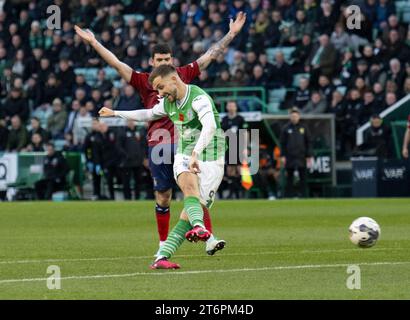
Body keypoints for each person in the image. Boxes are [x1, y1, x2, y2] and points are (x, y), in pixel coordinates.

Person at [74, 11, 246, 256]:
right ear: (152, 61)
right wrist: (93, 42)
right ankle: (163, 243)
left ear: (172, 62)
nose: (163, 62)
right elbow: (116, 63)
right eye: (159, 59)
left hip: (184, 141)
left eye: (167, 58)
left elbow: (211, 55)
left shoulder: (183, 76)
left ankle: (206, 234)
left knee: (193, 190)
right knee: (163, 196)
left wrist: (231, 34)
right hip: (158, 143)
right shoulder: (144, 81)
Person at [99, 65, 226, 269]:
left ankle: (161, 257)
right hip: (185, 154)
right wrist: (115, 112)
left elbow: (210, 127)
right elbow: (147, 114)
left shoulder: (199, 98)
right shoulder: (168, 103)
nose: (159, 94)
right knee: (189, 189)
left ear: (174, 79)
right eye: (156, 90)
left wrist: (197, 154)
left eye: (161, 87)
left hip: (212, 156)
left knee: (189, 212)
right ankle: (200, 228)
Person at [280, 107, 313, 198]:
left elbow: (308, 141)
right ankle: (289, 196)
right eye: (292, 116)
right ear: (290, 117)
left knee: (303, 177)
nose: (294, 118)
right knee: (289, 177)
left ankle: (304, 196)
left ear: (299, 117)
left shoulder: (303, 128)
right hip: (289, 156)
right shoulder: (286, 128)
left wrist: (309, 155)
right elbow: (282, 143)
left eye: (296, 116)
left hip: (301, 156)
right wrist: (282, 155)